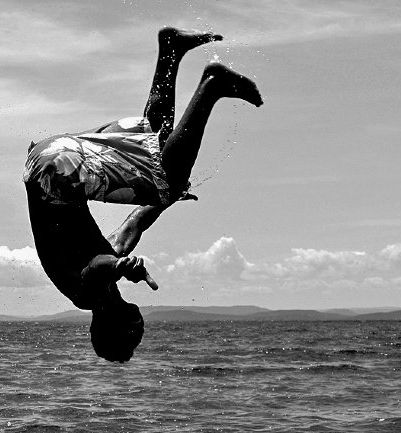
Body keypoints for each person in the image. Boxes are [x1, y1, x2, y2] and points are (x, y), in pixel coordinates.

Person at [24, 27, 263, 362]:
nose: (140, 333)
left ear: (117, 326)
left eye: (132, 339)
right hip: (48, 162)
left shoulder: (87, 295)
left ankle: (213, 85)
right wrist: (164, 204)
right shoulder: (109, 264)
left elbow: (95, 268)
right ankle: (171, 51)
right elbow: (133, 227)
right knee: (152, 144)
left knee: (169, 178)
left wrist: (122, 267)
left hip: (56, 174)